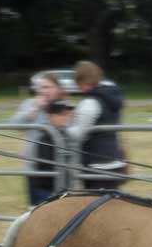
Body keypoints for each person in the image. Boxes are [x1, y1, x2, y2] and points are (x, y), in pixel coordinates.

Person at [65, 60, 127, 191]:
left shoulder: (89, 103)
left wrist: (63, 125)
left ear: (83, 82)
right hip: (115, 161)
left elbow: (77, 135)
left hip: (97, 166)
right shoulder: (112, 96)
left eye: (78, 84)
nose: (77, 88)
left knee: (97, 209)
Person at [11, 72, 70, 205]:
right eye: (42, 87)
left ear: (58, 88)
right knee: (35, 209)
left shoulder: (65, 106)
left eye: (49, 87)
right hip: (34, 168)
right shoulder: (30, 104)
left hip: (60, 168)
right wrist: (33, 111)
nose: (45, 91)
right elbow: (15, 125)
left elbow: (71, 131)